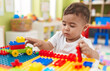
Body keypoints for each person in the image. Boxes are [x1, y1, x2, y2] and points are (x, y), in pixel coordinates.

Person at [26, 3, 99, 60]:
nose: (66, 28)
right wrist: (40, 43)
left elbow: (96, 57)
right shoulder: (59, 36)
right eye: (64, 24)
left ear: (85, 27)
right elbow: (48, 46)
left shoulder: (84, 43)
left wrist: (90, 52)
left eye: (72, 26)